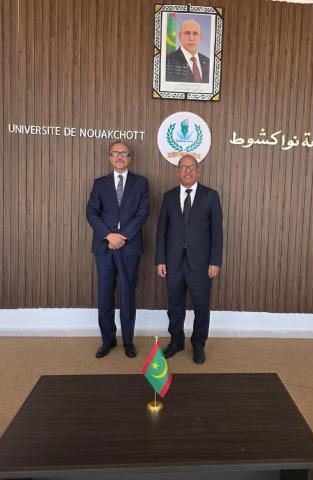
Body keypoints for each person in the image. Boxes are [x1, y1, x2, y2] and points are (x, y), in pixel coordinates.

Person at [155, 155, 223, 364]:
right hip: (173, 262)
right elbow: (162, 230)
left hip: (201, 264)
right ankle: (176, 342)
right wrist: (160, 260)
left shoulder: (211, 196)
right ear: (177, 171)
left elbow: (217, 232)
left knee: (201, 305)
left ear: (198, 171)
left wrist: (215, 261)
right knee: (175, 305)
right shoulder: (168, 196)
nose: (187, 171)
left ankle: (198, 344)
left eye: (192, 167)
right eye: (183, 167)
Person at [86, 142, 149, 359]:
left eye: (123, 153)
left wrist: (122, 237)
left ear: (129, 158)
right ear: (109, 158)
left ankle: (128, 341)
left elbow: (143, 213)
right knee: (105, 295)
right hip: (104, 247)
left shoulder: (141, 183)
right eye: (115, 153)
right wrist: (109, 235)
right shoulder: (100, 183)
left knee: (127, 295)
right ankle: (108, 340)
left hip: (129, 247)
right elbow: (91, 212)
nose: (119, 157)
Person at [166, 19, 210, 83]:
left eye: (195, 33)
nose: (191, 38)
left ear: (200, 37)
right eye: (187, 33)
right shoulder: (168, 61)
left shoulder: (208, 62)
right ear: (180, 36)